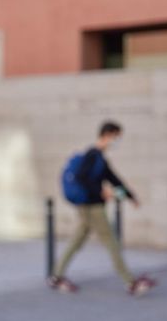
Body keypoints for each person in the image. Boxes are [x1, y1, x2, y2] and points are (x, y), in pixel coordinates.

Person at [49, 121, 157, 296]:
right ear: (108, 135)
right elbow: (82, 177)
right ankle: (130, 282)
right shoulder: (92, 155)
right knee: (111, 242)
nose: (117, 142)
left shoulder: (100, 158)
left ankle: (56, 276)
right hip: (92, 206)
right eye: (117, 138)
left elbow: (114, 179)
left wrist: (131, 197)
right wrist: (101, 192)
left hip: (91, 205)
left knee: (77, 240)